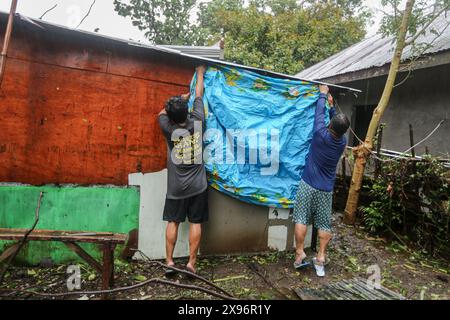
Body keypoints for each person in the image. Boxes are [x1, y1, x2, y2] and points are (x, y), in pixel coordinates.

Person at [293, 84, 350, 277]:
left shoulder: (319, 134)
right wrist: (333, 107)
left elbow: (318, 113)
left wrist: (323, 94)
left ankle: (300, 254)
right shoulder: (342, 142)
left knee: (301, 218)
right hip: (326, 189)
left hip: (308, 183)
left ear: (329, 125)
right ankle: (321, 258)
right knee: (324, 224)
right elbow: (336, 124)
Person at [158, 65, 208, 276]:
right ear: (186, 111)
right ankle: (191, 264)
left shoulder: (167, 128)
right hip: (198, 186)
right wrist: (200, 73)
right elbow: (199, 93)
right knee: (195, 222)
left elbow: (161, 112)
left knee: (173, 222)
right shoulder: (198, 121)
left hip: (176, 188)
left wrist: (179, 99)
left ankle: (169, 262)